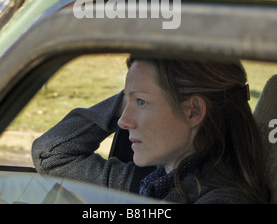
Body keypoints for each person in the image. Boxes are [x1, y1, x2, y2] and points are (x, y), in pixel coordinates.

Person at [32, 56, 269, 204]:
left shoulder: (223, 200)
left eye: (141, 103)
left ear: (193, 111)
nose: (123, 122)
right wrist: (135, 92)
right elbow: (52, 153)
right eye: (126, 103)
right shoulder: (152, 181)